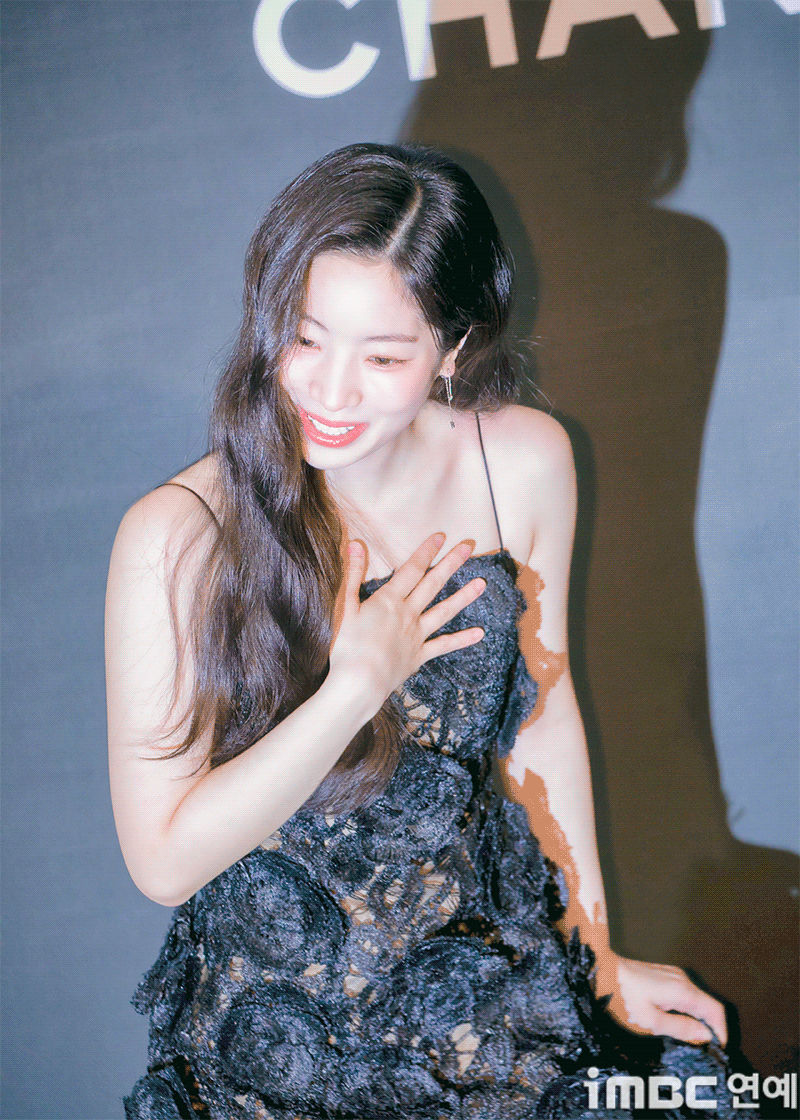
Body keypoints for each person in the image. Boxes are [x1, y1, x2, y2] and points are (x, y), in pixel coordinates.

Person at [107, 143, 747, 1119]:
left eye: (382, 357)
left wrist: (595, 954)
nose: (330, 392)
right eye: (306, 338)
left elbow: (543, 718)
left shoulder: (520, 462)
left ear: (453, 349)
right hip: (280, 1052)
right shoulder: (181, 536)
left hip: (480, 1002)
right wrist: (354, 689)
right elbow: (163, 862)